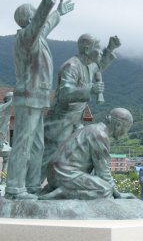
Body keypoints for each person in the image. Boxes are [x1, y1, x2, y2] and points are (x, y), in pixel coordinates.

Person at [6, 0, 73, 200]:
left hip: (38, 98)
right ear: (28, 19)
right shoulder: (25, 37)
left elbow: (45, 26)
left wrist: (58, 14)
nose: (39, 18)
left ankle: (32, 185)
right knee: (24, 143)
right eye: (35, 14)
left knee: (36, 146)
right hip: (28, 97)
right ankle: (15, 187)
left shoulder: (37, 37)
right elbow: (38, 24)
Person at [42, 33, 121, 181]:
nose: (99, 51)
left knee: (79, 153)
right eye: (97, 48)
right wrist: (90, 89)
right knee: (49, 156)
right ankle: (32, 188)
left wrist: (110, 49)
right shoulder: (71, 66)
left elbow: (100, 64)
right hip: (60, 122)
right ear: (86, 49)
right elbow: (65, 93)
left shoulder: (89, 65)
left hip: (75, 122)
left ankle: (78, 185)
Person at [40, 108, 136, 200]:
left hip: (55, 174)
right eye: (126, 129)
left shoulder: (92, 129)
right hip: (66, 175)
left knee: (104, 188)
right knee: (106, 190)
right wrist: (117, 194)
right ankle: (63, 193)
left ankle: (60, 190)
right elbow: (102, 171)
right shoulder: (99, 135)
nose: (125, 134)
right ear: (118, 125)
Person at [0, 92, 13, 185]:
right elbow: (11, 103)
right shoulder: (3, 108)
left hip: (1, 142)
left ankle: (4, 180)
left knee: (8, 154)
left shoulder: (6, 113)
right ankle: (3, 181)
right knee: (8, 155)